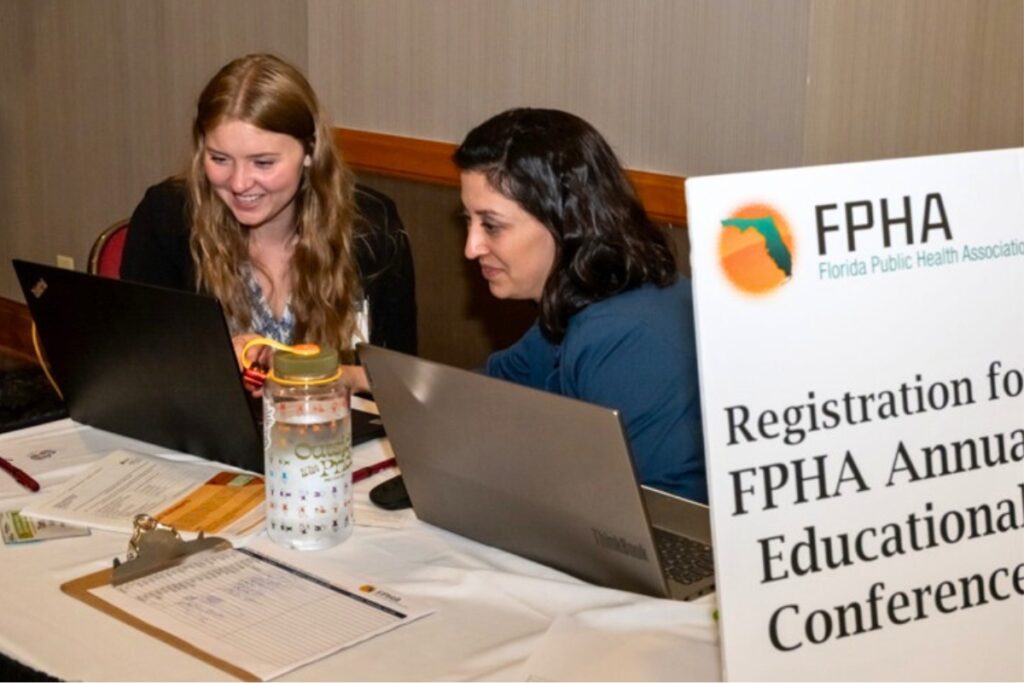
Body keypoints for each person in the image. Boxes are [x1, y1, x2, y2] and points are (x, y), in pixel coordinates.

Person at [453, 108, 706, 503]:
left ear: (564, 221)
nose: (472, 247)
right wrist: (359, 380)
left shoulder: (620, 337)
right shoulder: (581, 301)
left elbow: (665, 519)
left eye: (492, 225)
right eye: (467, 220)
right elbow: (493, 386)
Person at [121, 53, 416, 382]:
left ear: (310, 152)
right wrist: (213, 361)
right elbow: (137, 363)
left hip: (330, 429)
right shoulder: (167, 217)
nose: (239, 183)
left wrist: (304, 371)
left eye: (263, 163)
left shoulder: (370, 228)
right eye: (219, 159)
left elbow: (399, 381)